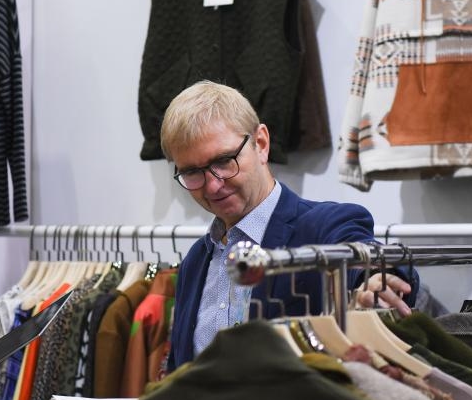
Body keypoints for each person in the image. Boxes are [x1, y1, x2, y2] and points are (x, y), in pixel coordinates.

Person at [162, 81, 418, 370]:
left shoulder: (323, 227)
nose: (212, 184)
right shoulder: (195, 262)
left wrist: (376, 279)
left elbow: (364, 254)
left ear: (261, 144)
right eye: (192, 172)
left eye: (223, 161)